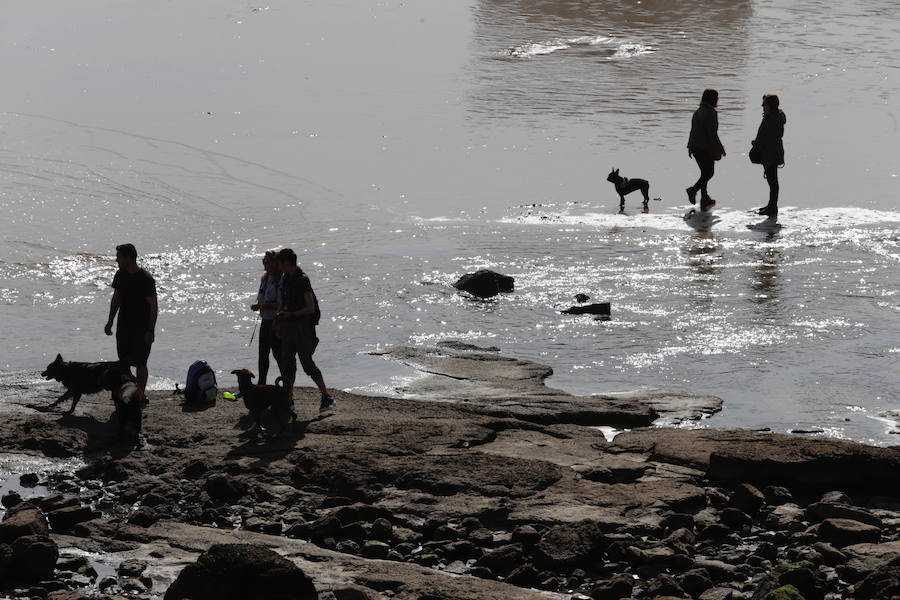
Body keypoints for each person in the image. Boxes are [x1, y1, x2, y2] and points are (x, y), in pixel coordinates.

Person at [275, 248, 334, 412]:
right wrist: (278, 320)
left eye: (280, 264)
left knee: (307, 364)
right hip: (287, 327)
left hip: (302, 329)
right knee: (287, 365)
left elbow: (310, 308)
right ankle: (289, 400)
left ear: (287, 263)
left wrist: (291, 314)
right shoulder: (285, 278)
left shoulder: (302, 280)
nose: (279, 267)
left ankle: (326, 397)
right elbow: (283, 301)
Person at [104, 243, 158, 394]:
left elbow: (154, 307)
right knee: (124, 363)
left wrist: (151, 330)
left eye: (119, 257)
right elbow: (116, 299)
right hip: (124, 326)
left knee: (141, 363)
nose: (117, 261)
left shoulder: (146, 279)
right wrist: (110, 321)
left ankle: (140, 395)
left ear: (128, 258)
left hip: (142, 328)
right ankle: (127, 394)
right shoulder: (120, 275)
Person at [686, 89, 726, 211]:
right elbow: (712, 134)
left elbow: (693, 130)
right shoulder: (710, 112)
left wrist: (689, 146)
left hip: (694, 146)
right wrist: (720, 148)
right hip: (704, 147)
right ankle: (693, 190)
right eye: (716, 98)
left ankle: (704, 198)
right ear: (712, 99)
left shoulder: (698, 111)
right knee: (709, 172)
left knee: (705, 172)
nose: (718, 100)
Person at [250, 250, 282, 385]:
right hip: (265, 320)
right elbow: (262, 298)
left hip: (276, 321)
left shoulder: (280, 280)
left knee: (278, 354)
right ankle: (261, 383)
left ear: (275, 263)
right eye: (263, 261)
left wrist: (263, 306)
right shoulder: (264, 278)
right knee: (262, 354)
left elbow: (280, 304)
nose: (264, 264)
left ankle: (287, 384)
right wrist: (259, 305)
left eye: (267, 262)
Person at [752, 94, 786, 218]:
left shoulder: (771, 118)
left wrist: (756, 147)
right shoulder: (776, 116)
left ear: (770, 105)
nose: (762, 106)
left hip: (770, 152)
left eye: (764, 104)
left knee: (772, 181)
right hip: (774, 151)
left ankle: (772, 207)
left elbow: (763, 136)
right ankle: (771, 205)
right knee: (772, 180)